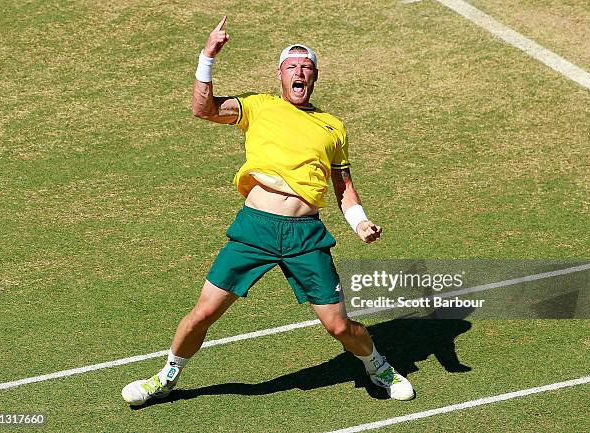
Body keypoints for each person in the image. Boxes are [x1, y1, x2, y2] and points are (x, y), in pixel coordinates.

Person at [122, 16, 414, 406]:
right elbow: (203, 109)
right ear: (279, 75)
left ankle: (377, 365)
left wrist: (359, 222)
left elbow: (342, 185)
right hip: (255, 229)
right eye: (291, 66)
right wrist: (207, 55)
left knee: (339, 326)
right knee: (204, 313)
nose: (299, 72)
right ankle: (167, 376)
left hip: (305, 236)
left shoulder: (333, 127)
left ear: (314, 77)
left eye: (306, 67)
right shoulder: (259, 107)